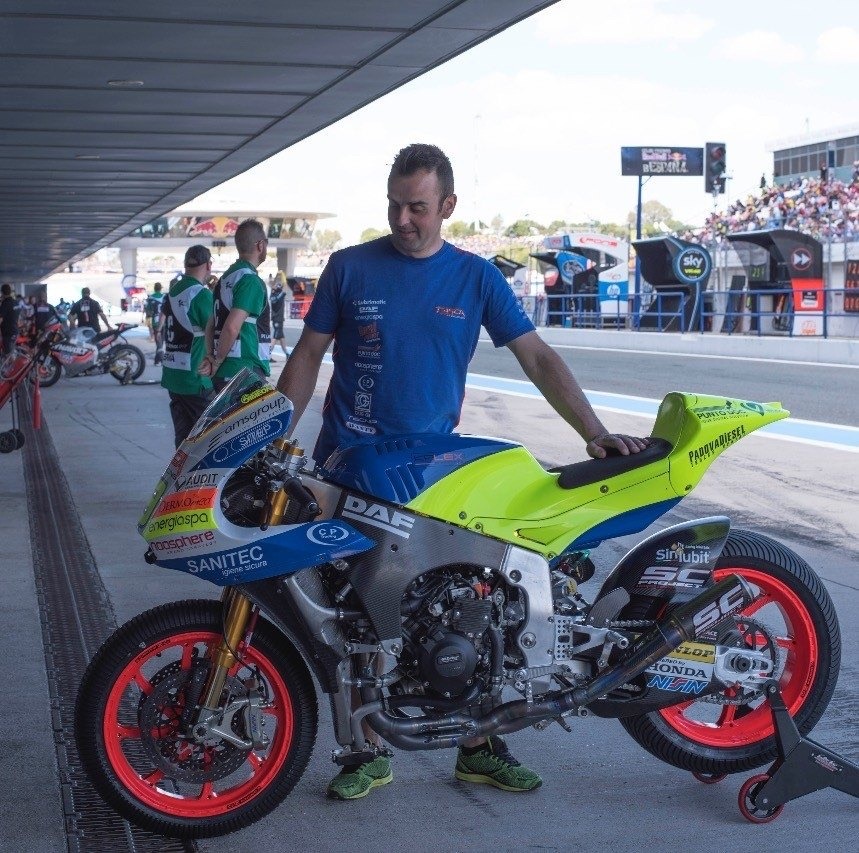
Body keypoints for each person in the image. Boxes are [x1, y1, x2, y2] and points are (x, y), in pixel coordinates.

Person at [275, 143, 649, 801]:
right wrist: (277, 433)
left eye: (417, 207)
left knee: (460, 610)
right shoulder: (349, 267)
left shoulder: (475, 278)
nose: (403, 219)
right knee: (357, 617)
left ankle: (477, 747)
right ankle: (364, 751)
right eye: (394, 205)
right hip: (348, 466)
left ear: (447, 205)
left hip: (433, 480)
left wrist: (593, 432)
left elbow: (536, 356)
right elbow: (307, 354)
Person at [199, 219, 271, 390]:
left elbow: (210, 326)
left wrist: (212, 356)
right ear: (260, 245)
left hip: (225, 372)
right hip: (245, 370)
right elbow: (231, 327)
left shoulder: (225, 279)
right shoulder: (250, 281)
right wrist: (216, 361)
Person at [160, 245, 215, 447]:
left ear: (185, 265)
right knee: (208, 440)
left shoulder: (172, 292)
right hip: (196, 378)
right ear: (208, 265)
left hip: (173, 376)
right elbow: (217, 330)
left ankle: (179, 469)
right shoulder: (201, 294)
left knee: (183, 441)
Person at [269, 276, 288, 362]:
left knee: (281, 337)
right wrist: (283, 283)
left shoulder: (273, 295)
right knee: (275, 337)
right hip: (278, 319)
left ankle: (287, 354)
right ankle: (268, 355)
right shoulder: (280, 295)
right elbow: (284, 291)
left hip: (276, 319)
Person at [0, 283, 19, 357]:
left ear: (2, 292)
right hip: (15, 331)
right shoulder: (16, 302)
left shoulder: (5, 303)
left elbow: (0, 319)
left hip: (8, 333)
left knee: (8, 355)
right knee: (11, 353)